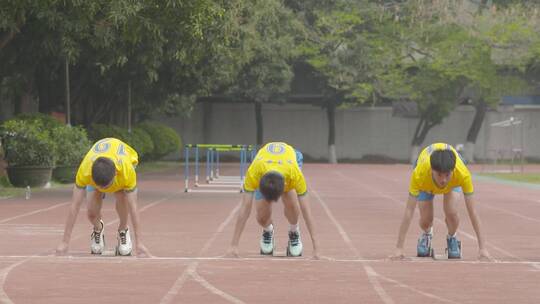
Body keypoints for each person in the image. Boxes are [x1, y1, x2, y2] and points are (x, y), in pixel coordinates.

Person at [391, 143, 492, 260]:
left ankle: (452, 237)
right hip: (427, 184)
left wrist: (482, 248)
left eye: (447, 175)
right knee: (425, 221)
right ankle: (427, 234)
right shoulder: (420, 174)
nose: (443, 180)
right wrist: (399, 248)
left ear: (453, 170)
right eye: (439, 175)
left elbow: (473, 212)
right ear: (432, 170)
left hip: (452, 185)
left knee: (452, 212)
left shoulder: (462, 174)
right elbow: (409, 211)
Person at [55, 138, 151, 257]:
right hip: (100, 171)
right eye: (100, 187)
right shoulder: (85, 170)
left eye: (107, 186)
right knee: (91, 213)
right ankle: (98, 228)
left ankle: (123, 230)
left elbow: (134, 207)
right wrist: (64, 242)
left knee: (121, 196)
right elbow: (75, 205)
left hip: (122, 168)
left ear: (115, 173)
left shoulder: (126, 171)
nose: (105, 190)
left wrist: (139, 243)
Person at [227, 142, 319, 258]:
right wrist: (233, 245)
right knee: (261, 216)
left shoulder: (294, 174)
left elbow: (307, 212)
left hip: (290, 161)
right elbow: (245, 208)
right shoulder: (254, 171)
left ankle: (294, 231)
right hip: (265, 166)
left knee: (291, 204)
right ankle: (268, 230)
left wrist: (317, 248)